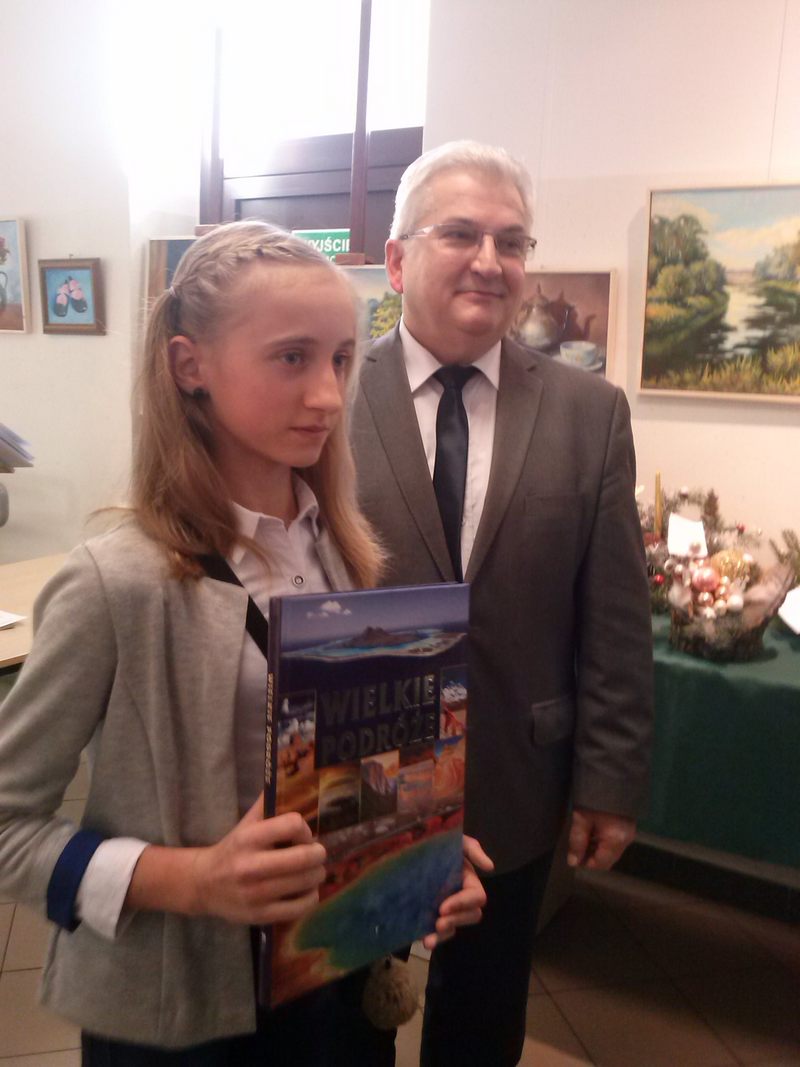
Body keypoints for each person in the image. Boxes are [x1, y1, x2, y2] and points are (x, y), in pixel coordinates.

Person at [0, 221, 490, 1066]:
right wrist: (194, 879)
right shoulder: (117, 583)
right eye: (291, 357)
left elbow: (351, 772)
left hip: (333, 981)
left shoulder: (343, 553)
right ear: (189, 365)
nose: (329, 395)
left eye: (341, 358)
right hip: (184, 1012)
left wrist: (421, 844)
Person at [351, 141, 654, 1066]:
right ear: (398, 259)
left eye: (512, 241)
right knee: (348, 1017)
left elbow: (615, 620)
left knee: (482, 1025)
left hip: (518, 775)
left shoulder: (588, 412)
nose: (490, 260)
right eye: (461, 234)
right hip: (356, 777)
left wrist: (609, 782)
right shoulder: (325, 396)